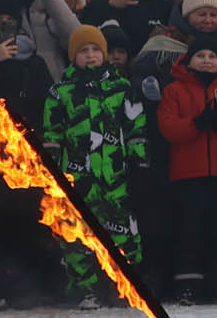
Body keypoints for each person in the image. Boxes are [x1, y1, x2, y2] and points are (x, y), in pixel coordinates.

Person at [37, 25, 143, 303]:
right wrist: (53, 169)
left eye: (96, 50)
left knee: (120, 231)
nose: (91, 55)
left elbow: (135, 128)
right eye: (84, 51)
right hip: (77, 176)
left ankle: (123, 286)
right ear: (73, 56)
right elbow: (52, 133)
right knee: (77, 232)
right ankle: (86, 287)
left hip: (114, 175)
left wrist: (139, 161)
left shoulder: (122, 87)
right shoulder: (62, 92)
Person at [156, 38, 217, 305]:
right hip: (187, 173)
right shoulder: (174, 90)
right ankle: (188, 285)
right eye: (200, 55)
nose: (207, 60)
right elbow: (169, 128)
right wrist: (196, 123)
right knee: (189, 230)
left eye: (212, 56)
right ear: (189, 60)